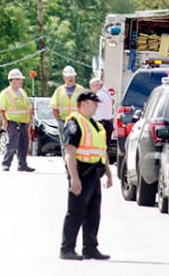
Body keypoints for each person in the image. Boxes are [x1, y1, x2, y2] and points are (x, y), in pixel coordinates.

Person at [60, 90, 113, 261]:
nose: (97, 106)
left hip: (94, 175)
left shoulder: (95, 125)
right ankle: (67, 248)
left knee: (93, 214)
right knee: (76, 212)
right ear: (83, 104)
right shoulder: (75, 124)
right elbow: (70, 152)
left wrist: (109, 173)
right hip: (81, 173)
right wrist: (74, 178)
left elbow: (102, 152)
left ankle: (90, 248)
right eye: (94, 103)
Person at [0, 68, 35, 172]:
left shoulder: (23, 92)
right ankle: (6, 164)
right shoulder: (6, 93)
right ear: (12, 80)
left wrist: (30, 119)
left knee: (24, 145)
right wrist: (4, 120)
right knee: (12, 144)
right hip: (12, 122)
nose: (22, 81)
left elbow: (28, 107)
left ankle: (22, 165)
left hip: (24, 123)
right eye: (19, 79)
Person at [50, 65, 85, 135]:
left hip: (77, 121)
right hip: (63, 122)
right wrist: (59, 121)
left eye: (72, 76)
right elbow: (54, 108)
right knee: (64, 144)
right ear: (64, 78)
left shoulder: (80, 90)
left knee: (74, 143)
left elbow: (85, 106)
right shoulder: (59, 91)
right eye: (69, 76)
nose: (71, 78)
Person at [89, 77, 114, 150]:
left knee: (100, 147)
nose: (91, 89)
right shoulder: (106, 93)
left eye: (91, 86)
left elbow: (91, 105)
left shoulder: (101, 95)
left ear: (97, 85)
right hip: (107, 122)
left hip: (102, 124)